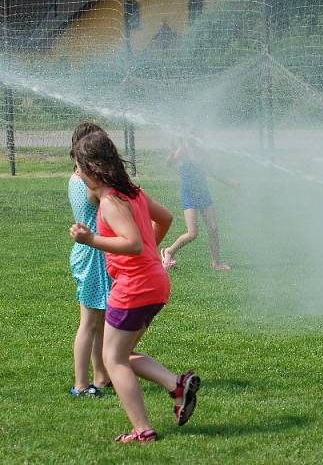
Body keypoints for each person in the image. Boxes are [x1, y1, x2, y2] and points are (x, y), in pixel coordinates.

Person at [69, 131, 200, 443]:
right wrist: (151, 254)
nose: (77, 174)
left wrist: (90, 240)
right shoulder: (133, 192)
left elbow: (131, 243)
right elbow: (165, 218)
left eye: (78, 167)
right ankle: (177, 385)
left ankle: (142, 430)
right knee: (120, 354)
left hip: (133, 288)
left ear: (91, 169)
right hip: (154, 283)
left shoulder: (111, 200)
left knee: (112, 359)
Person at [68, 122, 113, 397]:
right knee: (89, 322)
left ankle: (101, 377)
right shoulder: (91, 186)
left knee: (100, 321)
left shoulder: (74, 177)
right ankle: (81, 384)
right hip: (94, 253)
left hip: (86, 251)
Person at [160, 135, 235, 271]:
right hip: (189, 195)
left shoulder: (202, 151)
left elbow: (213, 172)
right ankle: (169, 252)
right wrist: (172, 155)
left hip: (204, 193)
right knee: (192, 233)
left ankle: (216, 262)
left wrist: (232, 183)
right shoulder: (181, 150)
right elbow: (169, 163)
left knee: (213, 228)